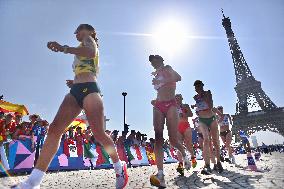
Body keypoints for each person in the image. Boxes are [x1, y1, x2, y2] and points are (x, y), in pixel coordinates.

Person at [12, 24, 128, 189]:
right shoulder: (81, 45)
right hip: (76, 90)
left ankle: (119, 166)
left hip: (91, 89)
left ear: (89, 31)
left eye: (78, 30)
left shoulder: (89, 40)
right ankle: (33, 182)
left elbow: (91, 53)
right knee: (54, 129)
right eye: (75, 32)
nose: (75, 33)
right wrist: (75, 82)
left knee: (98, 133)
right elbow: (87, 66)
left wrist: (64, 48)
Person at [148, 55, 190, 188]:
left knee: (173, 140)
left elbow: (178, 78)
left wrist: (163, 78)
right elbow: (160, 89)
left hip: (171, 104)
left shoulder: (167, 68)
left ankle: (184, 154)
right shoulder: (155, 74)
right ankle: (160, 174)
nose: (153, 64)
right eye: (151, 63)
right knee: (158, 138)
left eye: (154, 61)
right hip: (159, 105)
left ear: (160, 61)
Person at [191, 80, 223, 174]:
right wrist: (195, 106)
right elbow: (199, 108)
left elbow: (210, 105)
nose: (197, 88)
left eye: (199, 86)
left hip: (212, 119)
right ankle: (207, 165)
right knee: (206, 140)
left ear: (202, 86)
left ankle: (218, 163)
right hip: (202, 120)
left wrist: (203, 97)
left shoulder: (208, 93)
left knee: (216, 142)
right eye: (196, 87)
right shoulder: (195, 97)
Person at [175, 94, 197, 175]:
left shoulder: (185, 105)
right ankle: (180, 165)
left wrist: (184, 114)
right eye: (176, 98)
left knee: (189, 144)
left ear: (181, 99)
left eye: (179, 98)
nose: (177, 100)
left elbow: (191, 114)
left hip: (186, 126)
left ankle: (192, 157)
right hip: (177, 127)